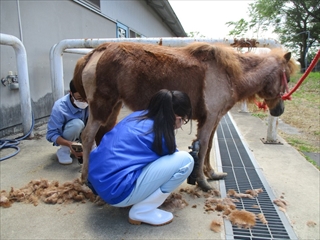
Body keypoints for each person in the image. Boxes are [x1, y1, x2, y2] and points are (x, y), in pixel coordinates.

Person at [87, 89, 194, 226]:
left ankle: (136, 199)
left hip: (98, 183)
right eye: (183, 120)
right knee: (186, 161)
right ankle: (143, 211)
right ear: (177, 118)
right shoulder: (160, 133)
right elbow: (172, 160)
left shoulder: (136, 116)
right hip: (116, 193)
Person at [46, 80, 89, 164]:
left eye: (86, 98)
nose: (84, 102)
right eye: (80, 98)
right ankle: (64, 150)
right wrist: (70, 144)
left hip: (84, 136)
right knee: (77, 124)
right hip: (68, 136)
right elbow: (51, 134)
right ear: (71, 93)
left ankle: (87, 147)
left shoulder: (90, 101)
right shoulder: (59, 107)